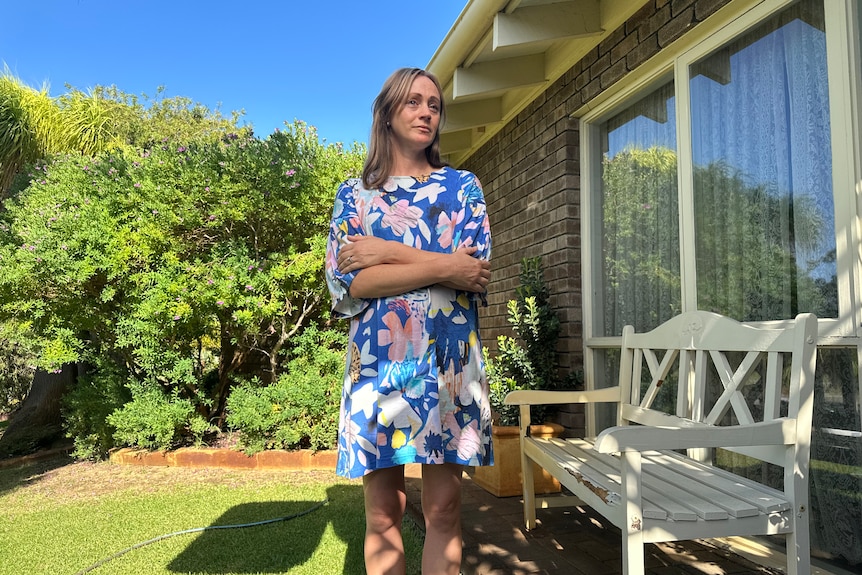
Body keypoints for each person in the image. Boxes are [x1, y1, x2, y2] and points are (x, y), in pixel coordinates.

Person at [325, 67, 494, 575]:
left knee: (443, 507)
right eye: (414, 102)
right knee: (383, 513)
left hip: (449, 364)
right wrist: (444, 264)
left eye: (434, 105)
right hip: (378, 367)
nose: (426, 112)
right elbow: (351, 286)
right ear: (388, 113)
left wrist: (383, 252)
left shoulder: (463, 187)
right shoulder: (353, 196)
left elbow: (475, 272)